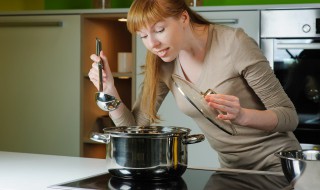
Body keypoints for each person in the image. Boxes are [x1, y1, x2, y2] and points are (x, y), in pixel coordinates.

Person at [88, 0, 301, 172]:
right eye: (143, 36)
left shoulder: (233, 43)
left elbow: (289, 117)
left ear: (183, 17)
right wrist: (109, 92)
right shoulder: (163, 63)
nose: (152, 44)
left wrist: (242, 116)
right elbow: (134, 128)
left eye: (159, 30)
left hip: (277, 165)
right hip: (232, 169)